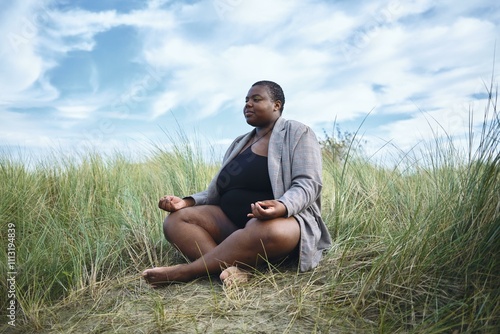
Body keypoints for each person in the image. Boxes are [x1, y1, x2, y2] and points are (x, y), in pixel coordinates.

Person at [142, 80, 332, 286]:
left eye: (256, 99)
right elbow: (218, 190)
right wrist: (186, 203)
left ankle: (186, 272)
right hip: (231, 225)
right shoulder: (239, 143)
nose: (248, 104)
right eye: (246, 100)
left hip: (277, 225)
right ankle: (233, 269)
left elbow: (308, 183)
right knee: (176, 220)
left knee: (268, 230)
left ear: (276, 105)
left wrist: (283, 206)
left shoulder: (297, 132)